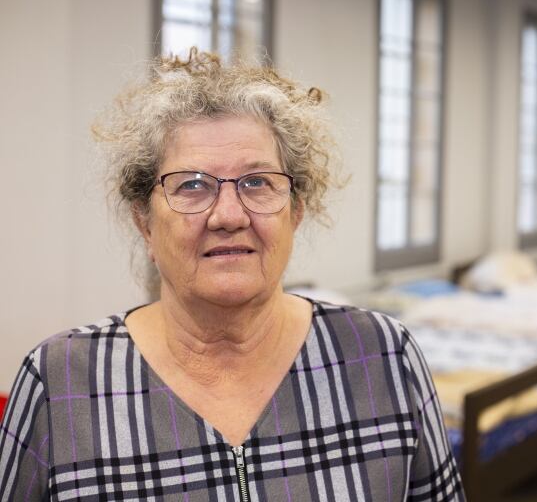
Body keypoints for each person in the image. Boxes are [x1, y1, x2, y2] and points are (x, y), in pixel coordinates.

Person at [0, 49, 464, 501]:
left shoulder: (383, 356)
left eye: (257, 182)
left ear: (296, 211)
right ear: (145, 221)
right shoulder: (60, 383)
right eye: (192, 185)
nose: (228, 215)